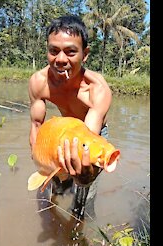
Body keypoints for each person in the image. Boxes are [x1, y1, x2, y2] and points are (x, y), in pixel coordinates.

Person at [28, 15, 113, 220]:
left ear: (85, 54)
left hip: (90, 135)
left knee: (83, 198)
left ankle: (78, 231)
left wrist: (83, 174)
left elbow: (87, 137)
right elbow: (37, 125)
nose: (60, 60)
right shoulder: (39, 82)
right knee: (55, 188)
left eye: (71, 51)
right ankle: (53, 214)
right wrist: (39, 160)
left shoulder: (96, 89)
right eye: (53, 51)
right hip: (60, 132)